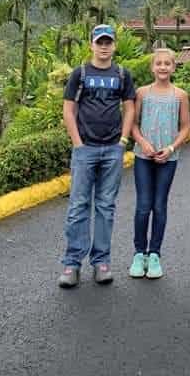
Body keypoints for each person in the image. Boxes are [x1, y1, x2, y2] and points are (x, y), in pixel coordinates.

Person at [58, 24, 136, 288]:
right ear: (91, 44)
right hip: (85, 150)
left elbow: (129, 107)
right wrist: (78, 144)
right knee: (78, 206)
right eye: (99, 42)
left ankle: (101, 262)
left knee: (105, 207)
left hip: (112, 150)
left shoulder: (122, 74)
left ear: (114, 45)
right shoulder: (79, 74)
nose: (104, 47)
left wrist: (123, 141)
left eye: (108, 42)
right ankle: (72, 264)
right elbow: (69, 110)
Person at [128, 48, 190, 279]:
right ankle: (138, 253)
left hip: (168, 158)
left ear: (174, 67)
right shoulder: (142, 93)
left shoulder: (180, 95)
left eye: (167, 63)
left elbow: (185, 127)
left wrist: (172, 148)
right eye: (159, 63)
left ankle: (154, 254)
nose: (163, 67)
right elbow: (133, 123)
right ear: (152, 67)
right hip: (143, 157)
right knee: (143, 205)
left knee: (159, 205)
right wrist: (143, 142)